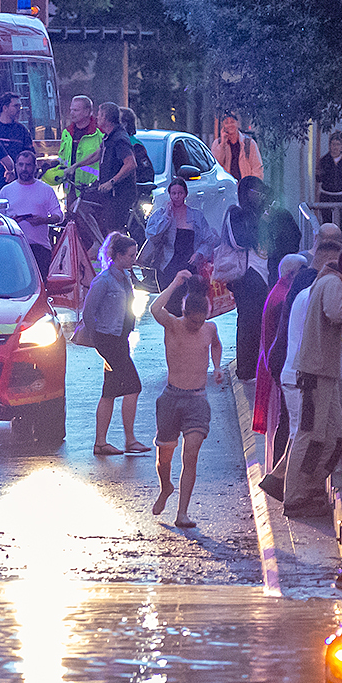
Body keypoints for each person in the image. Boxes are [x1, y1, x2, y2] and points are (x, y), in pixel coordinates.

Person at [283, 238, 342, 519]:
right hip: (316, 371)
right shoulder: (334, 284)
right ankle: (295, 495)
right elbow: (336, 312)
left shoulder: (329, 282)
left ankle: (310, 487)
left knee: (333, 434)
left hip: (324, 370)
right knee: (309, 433)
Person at [148, 269, 223, 529]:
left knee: (190, 455)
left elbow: (215, 344)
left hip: (197, 400)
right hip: (171, 397)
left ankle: (182, 513)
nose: (197, 327)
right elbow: (154, 308)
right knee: (164, 458)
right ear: (184, 313)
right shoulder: (173, 325)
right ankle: (166, 487)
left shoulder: (209, 329)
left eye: (201, 322)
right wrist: (174, 283)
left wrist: (217, 367)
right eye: (193, 322)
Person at [84, 231, 147, 456]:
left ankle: (101, 442)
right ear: (118, 255)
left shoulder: (125, 278)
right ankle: (129, 439)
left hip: (120, 338)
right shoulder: (103, 280)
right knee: (133, 386)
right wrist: (99, 340)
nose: (133, 259)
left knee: (109, 390)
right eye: (130, 256)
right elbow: (88, 312)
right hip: (108, 340)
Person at [255, 253, 309, 492]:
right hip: (284, 367)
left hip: (277, 365)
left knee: (286, 424)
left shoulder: (279, 293)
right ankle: (280, 479)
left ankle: (278, 476)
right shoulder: (283, 297)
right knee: (289, 425)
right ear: (291, 274)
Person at [221, 177, 271, 379]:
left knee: (260, 322)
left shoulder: (263, 213)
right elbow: (239, 240)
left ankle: (258, 366)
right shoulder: (236, 213)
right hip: (244, 276)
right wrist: (260, 225)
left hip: (263, 274)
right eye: (254, 192)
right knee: (247, 323)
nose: (258, 196)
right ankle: (245, 369)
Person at [148, 175, 220, 308]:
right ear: (169, 194)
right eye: (173, 193)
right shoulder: (161, 213)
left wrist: (199, 253)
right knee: (170, 305)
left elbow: (209, 239)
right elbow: (152, 235)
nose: (176, 196)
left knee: (188, 305)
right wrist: (166, 217)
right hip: (168, 265)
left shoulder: (196, 215)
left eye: (180, 193)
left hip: (190, 265)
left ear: (185, 194)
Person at [0, 147, 65, 276]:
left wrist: (43, 220)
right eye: (21, 165)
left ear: (35, 167)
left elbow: (59, 216)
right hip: (13, 247)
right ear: (16, 166)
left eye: (28, 165)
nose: (24, 169)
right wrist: (11, 222)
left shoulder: (45, 189)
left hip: (39, 247)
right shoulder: (6, 191)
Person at [91, 101, 142, 239]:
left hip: (119, 193)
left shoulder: (119, 138)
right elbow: (98, 154)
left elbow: (130, 164)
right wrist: (75, 166)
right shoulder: (109, 137)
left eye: (99, 115)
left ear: (106, 118)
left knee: (115, 230)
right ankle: (100, 246)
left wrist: (111, 182)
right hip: (109, 193)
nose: (96, 117)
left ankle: (120, 256)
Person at [47, 95, 104, 209]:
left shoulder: (99, 133)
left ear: (87, 111)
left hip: (91, 189)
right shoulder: (67, 133)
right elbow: (62, 158)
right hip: (71, 188)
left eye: (76, 110)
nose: (72, 113)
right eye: (71, 109)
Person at [214, 111, 263, 186]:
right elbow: (216, 166)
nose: (230, 125)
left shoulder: (249, 143)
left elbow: (257, 168)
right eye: (227, 123)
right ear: (223, 126)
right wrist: (223, 144)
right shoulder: (217, 144)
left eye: (232, 122)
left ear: (238, 123)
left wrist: (253, 186)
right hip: (226, 188)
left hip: (245, 187)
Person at [0, 92, 34, 163]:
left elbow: (29, 155)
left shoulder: (22, 130)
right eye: (16, 106)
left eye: (20, 106)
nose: (19, 109)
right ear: (5, 108)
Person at [314, 130, 342, 211]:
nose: (335, 147)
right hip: (326, 196)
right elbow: (318, 178)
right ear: (330, 145)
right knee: (327, 222)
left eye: (338, 144)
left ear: (341, 147)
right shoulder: (324, 160)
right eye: (333, 144)